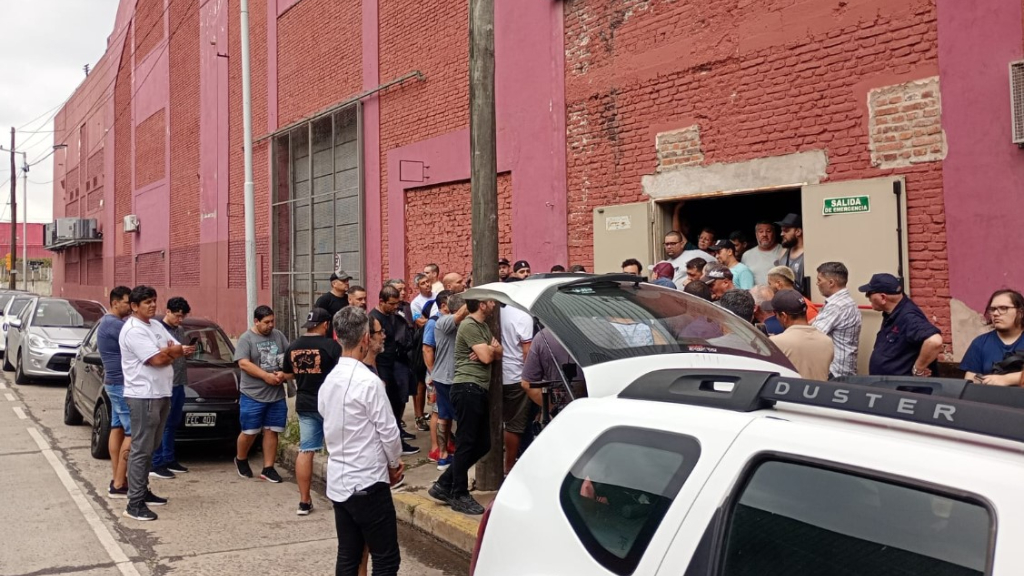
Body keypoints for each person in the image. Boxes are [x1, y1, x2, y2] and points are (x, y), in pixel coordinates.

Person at [321, 307, 404, 576]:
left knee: (349, 553)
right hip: (367, 480)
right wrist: (394, 463)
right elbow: (389, 431)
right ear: (365, 339)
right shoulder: (369, 383)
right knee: (386, 558)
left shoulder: (329, 381)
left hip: (338, 479)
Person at [119, 285, 194, 521]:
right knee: (141, 448)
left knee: (152, 446)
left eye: (153, 301)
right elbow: (159, 359)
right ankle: (134, 502)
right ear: (134, 306)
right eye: (146, 302)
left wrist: (172, 351)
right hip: (144, 395)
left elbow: (176, 348)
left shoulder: (156, 325)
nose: (152, 305)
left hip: (162, 393)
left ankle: (144, 490)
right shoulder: (133, 330)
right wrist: (171, 352)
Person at [430, 297, 503, 515]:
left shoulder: (482, 326)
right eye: (490, 301)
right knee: (466, 442)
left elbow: (499, 352)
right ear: (481, 305)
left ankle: (444, 484)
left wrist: (490, 350)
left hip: (477, 388)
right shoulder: (470, 325)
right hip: (467, 388)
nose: (493, 304)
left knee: (483, 444)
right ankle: (458, 493)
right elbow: (488, 356)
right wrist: (489, 350)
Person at [282, 308, 342, 516]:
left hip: (305, 403)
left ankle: (304, 501)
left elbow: (287, 373)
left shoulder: (293, 346)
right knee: (336, 451)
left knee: (306, 450)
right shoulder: (331, 347)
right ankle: (339, 498)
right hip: (330, 405)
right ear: (326, 324)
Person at [233, 305, 290, 483]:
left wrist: (284, 374)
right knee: (250, 431)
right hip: (253, 395)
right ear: (256, 321)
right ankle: (241, 458)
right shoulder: (246, 339)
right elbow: (243, 364)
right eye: (266, 322)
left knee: (272, 430)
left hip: (276, 395)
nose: (270, 325)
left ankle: (268, 467)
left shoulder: (278, 336)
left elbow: (288, 358)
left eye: (272, 321)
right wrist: (265, 376)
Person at [860, 273, 943, 377]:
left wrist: (918, 369)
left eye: (869, 294)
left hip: (904, 390)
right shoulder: (893, 313)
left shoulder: (908, 316)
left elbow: (934, 341)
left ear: (882, 297)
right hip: (888, 387)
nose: (867, 297)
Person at [369, 285, 419, 455]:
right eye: (392, 303)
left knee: (398, 403)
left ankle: (397, 439)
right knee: (387, 407)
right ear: (381, 301)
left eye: (397, 303)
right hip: (383, 368)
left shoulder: (393, 315)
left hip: (397, 364)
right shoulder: (374, 318)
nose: (395, 307)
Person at [150, 297, 192, 479]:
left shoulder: (180, 330)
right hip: (164, 383)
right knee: (161, 424)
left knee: (172, 423)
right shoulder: (159, 331)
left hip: (179, 381)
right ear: (167, 312)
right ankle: (156, 461)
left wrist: (186, 352)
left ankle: (169, 458)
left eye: (182, 317)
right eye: (177, 316)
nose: (179, 320)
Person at [97, 286, 133, 499]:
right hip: (120, 384)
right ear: (115, 302)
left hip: (114, 383)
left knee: (117, 427)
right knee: (132, 433)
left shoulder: (107, 322)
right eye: (128, 303)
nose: (130, 307)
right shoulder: (115, 325)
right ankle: (119, 483)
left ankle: (118, 477)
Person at [426, 292, 468, 472]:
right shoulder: (442, 321)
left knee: (446, 416)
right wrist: (474, 295)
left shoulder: (455, 322)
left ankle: (447, 455)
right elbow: (458, 315)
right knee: (453, 417)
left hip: (448, 376)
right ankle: (446, 455)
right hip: (447, 378)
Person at [521, 327, 587, 419]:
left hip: (560, 412)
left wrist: (553, 407)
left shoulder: (542, 337)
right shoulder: (602, 332)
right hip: (596, 408)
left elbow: (527, 384)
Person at [961, 289, 1024, 385]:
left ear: (1020, 312)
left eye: (1003, 308)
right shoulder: (980, 343)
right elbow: (969, 381)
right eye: (993, 309)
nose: (995, 313)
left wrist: (1006, 379)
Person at [768, 290, 834, 380]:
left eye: (776, 315)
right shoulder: (827, 342)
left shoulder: (775, 343)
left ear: (784, 316)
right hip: (821, 393)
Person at [811, 262, 862, 378]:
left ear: (831, 283)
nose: (817, 283)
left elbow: (812, 334)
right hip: (843, 369)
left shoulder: (837, 306)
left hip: (835, 372)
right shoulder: (845, 302)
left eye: (819, 280)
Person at [500, 304, 533, 474]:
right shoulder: (522, 316)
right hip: (516, 375)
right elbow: (527, 351)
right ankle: (509, 467)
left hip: (499, 375)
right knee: (515, 424)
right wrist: (529, 377)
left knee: (507, 421)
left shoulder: (497, 311)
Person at [742, 220, 785, 286]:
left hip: (779, 295)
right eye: (761, 231)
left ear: (774, 233)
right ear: (756, 234)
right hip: (755, 295)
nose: (764, 235)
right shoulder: (747, 255)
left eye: (768, 231)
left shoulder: (784, 251)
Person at [774, 214, 806, 294]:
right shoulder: (784, 251)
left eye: (786, 230)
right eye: (782, 230)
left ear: (798, 232)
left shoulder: (807, 254)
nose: (782, 234)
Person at [316, 271, 353, 339]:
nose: (347, 283)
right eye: (343, 281)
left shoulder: (349, 299)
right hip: (329, 340)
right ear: (334, 284)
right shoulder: (324, 300)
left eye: (347, 280)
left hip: (347, 339)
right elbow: (317, 322)